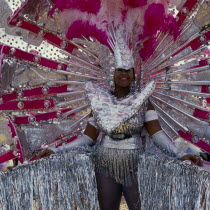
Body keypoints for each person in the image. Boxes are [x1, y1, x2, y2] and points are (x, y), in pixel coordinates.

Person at [39, 66, 203, 210]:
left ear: (134, 75)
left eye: (128, 70)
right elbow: (88, 138)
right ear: (112, 73)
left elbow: (157, 134)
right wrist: (57, 150)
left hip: (135, 163)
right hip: (104, 163)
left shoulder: (144, 102)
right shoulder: (100, 101)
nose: (124, 74)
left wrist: (179, 153)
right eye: (119, 70)